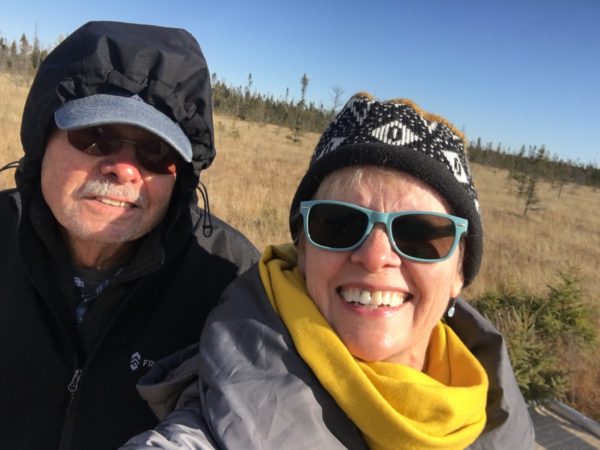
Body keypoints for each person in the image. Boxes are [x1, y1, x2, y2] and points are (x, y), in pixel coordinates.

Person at [122, 93, 535, 449]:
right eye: (338, 224)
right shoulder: (222, 414)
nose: (375, 257)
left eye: (420, 235)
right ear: (301, 251)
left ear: (460, 273)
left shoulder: (498, 416)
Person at [0, 21, 259, 450]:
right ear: (42, 138)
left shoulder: (229, 282)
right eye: (96, 136)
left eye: (155, 151)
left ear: (182, 176)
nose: (123, 168)